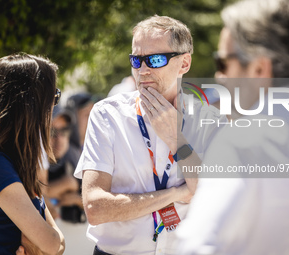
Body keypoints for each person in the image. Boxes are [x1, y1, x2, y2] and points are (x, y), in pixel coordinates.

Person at [177, 0, 289, 254]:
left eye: (223, 63)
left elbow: (196, 247)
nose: (218, 76)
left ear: (259, 68)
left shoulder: (243, 142)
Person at [74, 15, 226, 255]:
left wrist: (176, 138)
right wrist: (176, 193)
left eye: (155, 59)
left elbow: (211, 195)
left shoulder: (210, 121)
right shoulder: (107, 115)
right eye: (136, 60)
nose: (142, 70)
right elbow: (95, 208)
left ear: (184, 63)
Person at [0, 53, 65, 254]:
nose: (53, 107)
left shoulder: (16, 162)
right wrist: (50, 241)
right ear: (32, 104)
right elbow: (52, 244)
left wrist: (50, 242)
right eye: (54, 96)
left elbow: (56, 246)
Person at [47, 105, 94, 254]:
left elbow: (100, 201)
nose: (59, 138)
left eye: (65, 131)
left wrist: (76, 199)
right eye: (52, 131)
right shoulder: (30, 161)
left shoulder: (74, 158)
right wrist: (66, 184)